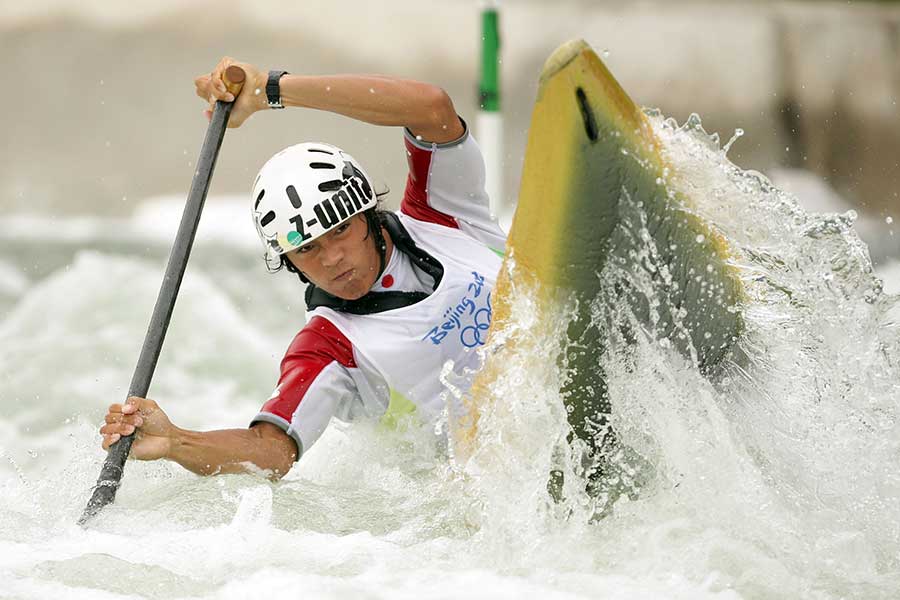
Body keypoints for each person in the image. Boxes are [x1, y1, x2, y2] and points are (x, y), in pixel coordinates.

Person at [99, 57, 506, 479]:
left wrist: (270, 90)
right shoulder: (328, 346)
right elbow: (272, 452)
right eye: (307, 249)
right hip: (486, 480)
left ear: (367, 212)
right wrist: (176, 442)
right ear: (288, 262)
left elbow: (431, 108)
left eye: (341, 230)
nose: (331, 258)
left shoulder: (442, 212)